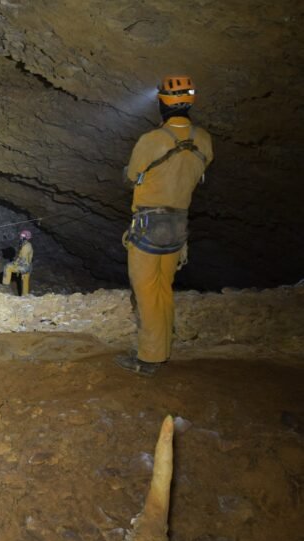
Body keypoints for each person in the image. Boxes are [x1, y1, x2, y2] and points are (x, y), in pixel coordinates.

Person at [115, 75, 213, 376]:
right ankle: (163, 350)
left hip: (149, 225)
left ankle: (149, 358)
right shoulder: (204, 140)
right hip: (178, 225)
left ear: (161, 103)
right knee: (164, 288)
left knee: (145, 290)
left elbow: (131, 176)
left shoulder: (152, 140)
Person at [2, 230, 34, 295]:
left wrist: (15, 263)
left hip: (24, 267)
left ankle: (5, 286)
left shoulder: (26, 247)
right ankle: (25, 296)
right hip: (28, 266)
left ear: (26, 237)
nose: (20, 237)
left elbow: (23, 260)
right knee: (25, 282)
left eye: (22, 236)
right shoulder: (26, 244)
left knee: (7, 267)